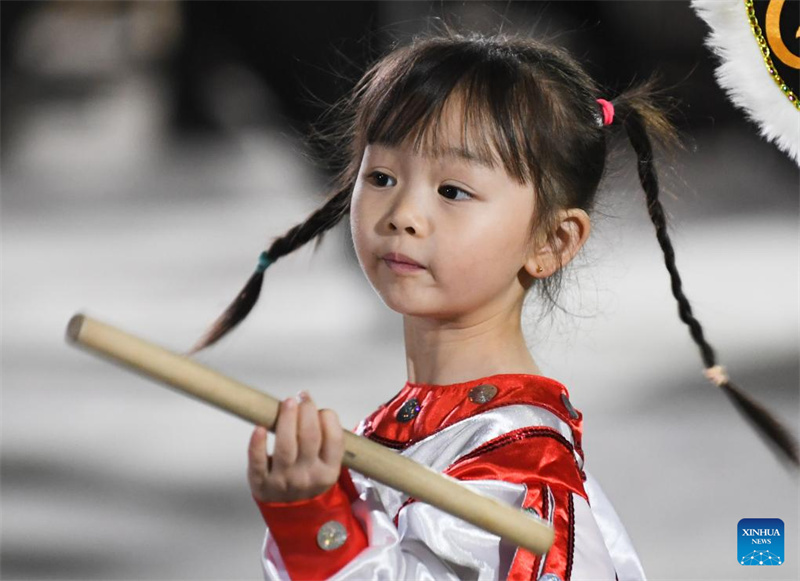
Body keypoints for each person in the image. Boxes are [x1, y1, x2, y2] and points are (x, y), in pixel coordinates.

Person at [187, 28, 797, 581]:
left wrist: (318, 528)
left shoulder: (516, 466)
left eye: (453, 190)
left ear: (551, 242)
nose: (403, 215)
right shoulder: (429, 427)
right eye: (381, 177)